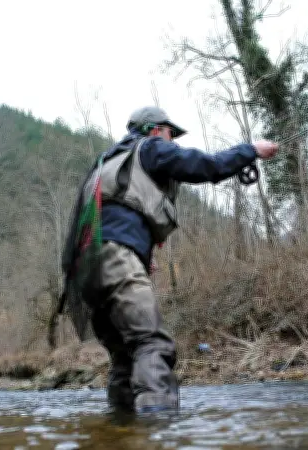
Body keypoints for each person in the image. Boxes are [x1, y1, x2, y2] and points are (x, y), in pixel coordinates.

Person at [60, 105, 279, 415]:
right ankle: (158, 426)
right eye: (169, 132)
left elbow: (111, 216)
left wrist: (137, 252)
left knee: (124, 356)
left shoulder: (106, 163)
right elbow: (206, 166)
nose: (172, 140)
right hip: (116, 255)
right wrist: (250, 150)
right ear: (153, 130)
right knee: (151, 343)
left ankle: (120, 431)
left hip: (87, 273)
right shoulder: (150, 148)